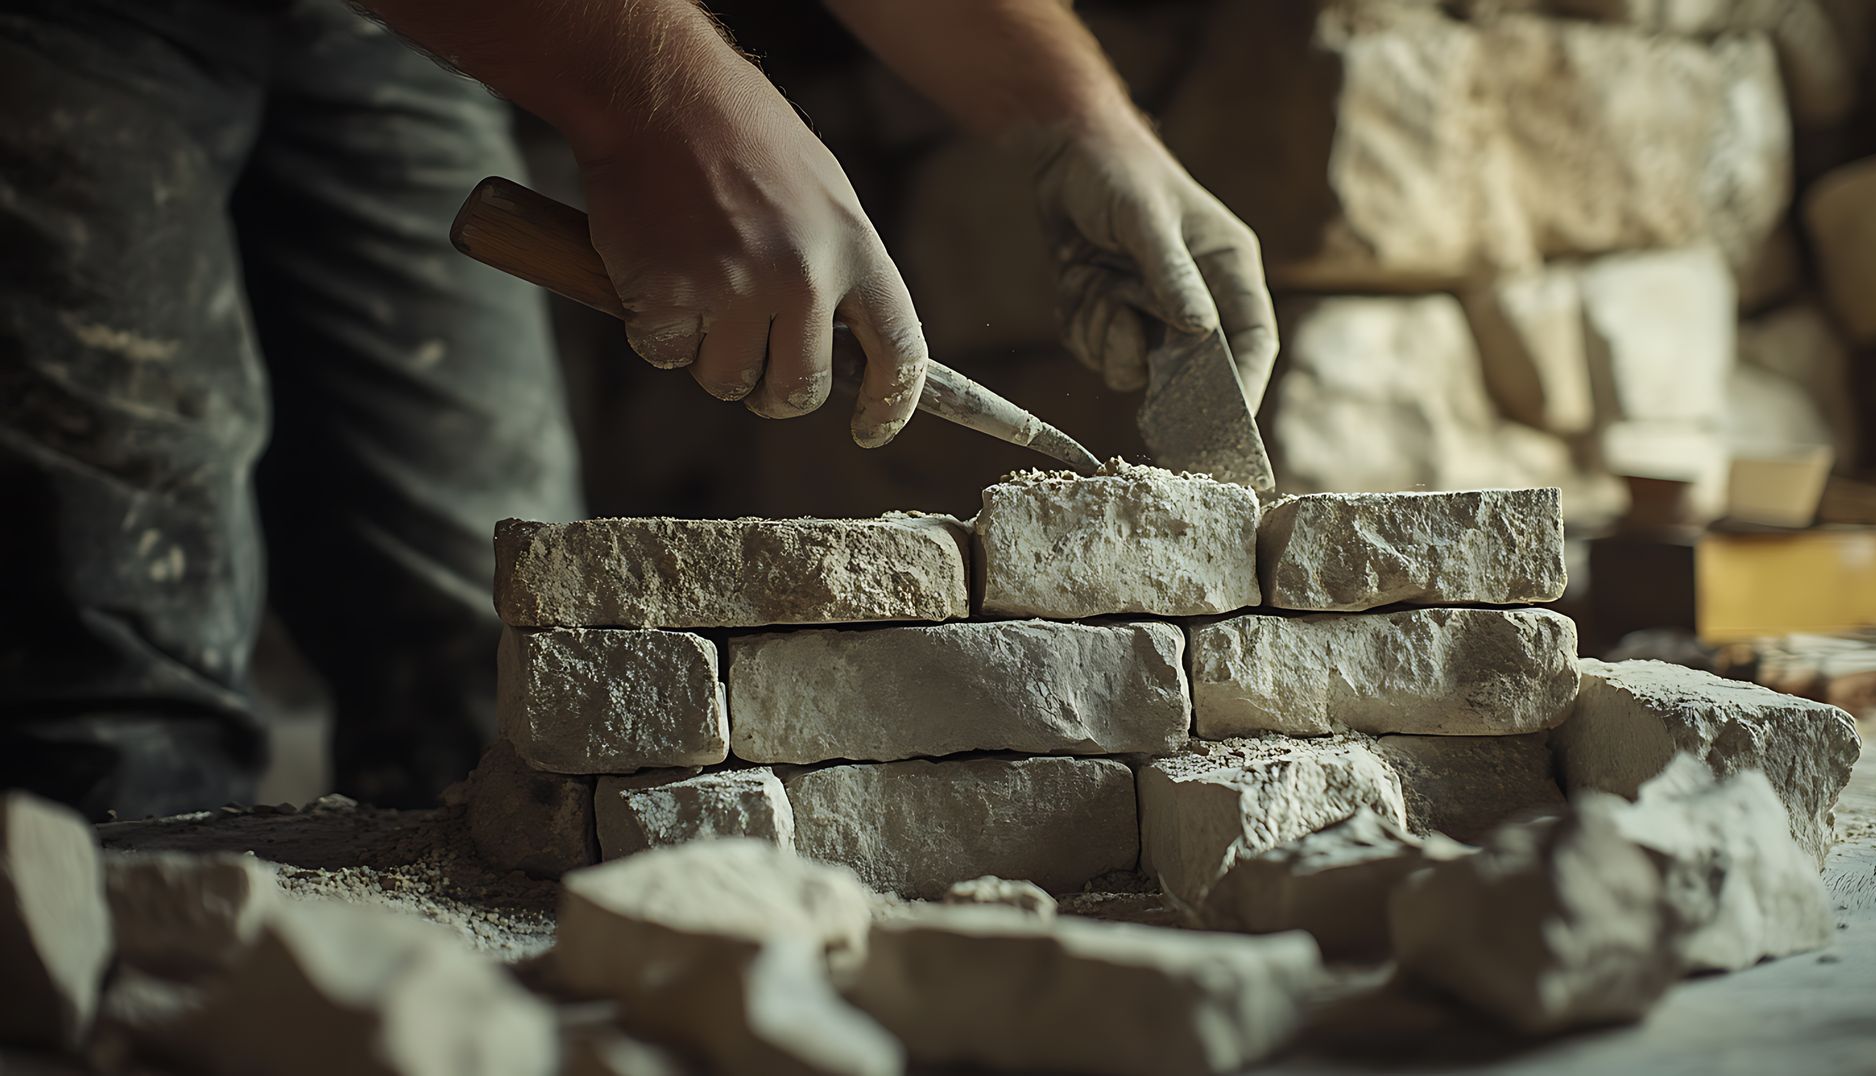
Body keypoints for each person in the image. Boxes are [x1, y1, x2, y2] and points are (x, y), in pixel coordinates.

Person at [0, 0, 1277, 819]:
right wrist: (651, 83)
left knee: (504, 662)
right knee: (110, 654)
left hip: (373, 34)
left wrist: (1069, 114)